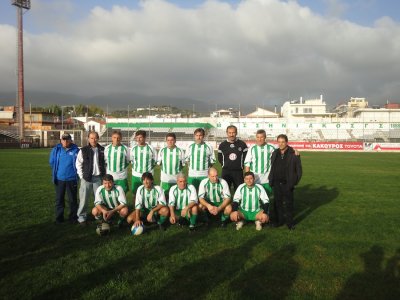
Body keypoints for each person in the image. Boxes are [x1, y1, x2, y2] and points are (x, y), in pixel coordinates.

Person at [268, 134, 302, 230]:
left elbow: (299, 171)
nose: (281, 144)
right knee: (277, 203)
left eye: (283, 142)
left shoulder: (293, 154)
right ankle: (279, 221)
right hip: (276, 183)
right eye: (279, 142)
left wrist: (293, 182)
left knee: (289, 204)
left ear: (287, 142)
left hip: (287, 183)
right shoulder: (275, 153)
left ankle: (290, 223)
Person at [76, 131, 106, 225]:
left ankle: (98, 215)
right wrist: (82, 176)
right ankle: (82, 218)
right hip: (87, 178)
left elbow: (106, 163)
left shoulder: (102, 149)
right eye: (91, 138)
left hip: (98, 178)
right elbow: (78, 164)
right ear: (88, 139)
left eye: (95, 138)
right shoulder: (83, 150)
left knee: (98, 199)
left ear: (98, 138)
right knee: (83, 199)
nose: (94, 140)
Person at [49, 133, 80, 224]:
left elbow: (79, 163)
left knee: (73, 200)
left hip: (72, 179)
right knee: (59, 199)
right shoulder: (56, 150)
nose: (65, 141)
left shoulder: (76, 150)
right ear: (61, 140)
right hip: (60, 179)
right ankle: (59, 218)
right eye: (63, 139)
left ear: (71, 140)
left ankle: (73, 218)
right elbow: (52, 162)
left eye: (67, 139)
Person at [244, 129, 276, 196]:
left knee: (267, 198)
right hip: (255, 177)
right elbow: (247, 163)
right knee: (255, 197)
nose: (259, 139)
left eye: (261, 137)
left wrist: (293, 150)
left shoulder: (272, 147)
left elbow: (283, 150)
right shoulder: (252, 148)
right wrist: (248, 178)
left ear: (265, 137)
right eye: (258, 137)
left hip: (267, 178)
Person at [218, 125, 248, 191]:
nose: (231, 135)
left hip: (238, 172)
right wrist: (224, 165)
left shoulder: (242, 144)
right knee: (225, 190)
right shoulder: (222, 145)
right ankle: (227, 201)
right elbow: (220, 158)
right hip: (226, 171)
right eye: (230, 133)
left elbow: (246, 159)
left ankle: (237, 201)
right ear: (227, 133)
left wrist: (241, 166)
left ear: (236, 133)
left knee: (239, 190)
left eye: (233, 132)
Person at [130, 130, 157, 203]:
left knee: (148, 192)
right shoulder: (133, 149)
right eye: (137, 137)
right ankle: (135, 210)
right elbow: (131, 161)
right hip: (136, 175)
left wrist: (149, 171)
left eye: (140, 137)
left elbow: (155, 160)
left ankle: (148, 207)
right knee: (135, 193)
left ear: (145, 138)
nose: (138, 139)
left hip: (148, 175)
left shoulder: (151, 148)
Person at [157, 133, 185, 198]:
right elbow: (159, 163)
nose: (170, 142)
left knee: (176, 195)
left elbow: (183, 164)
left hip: (176, 177)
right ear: (166, 141)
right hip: (165, 178)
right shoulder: (162, 150)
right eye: (168, 140)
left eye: (172, 140)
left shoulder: (180, 150)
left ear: (175, 140)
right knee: (164, 195)